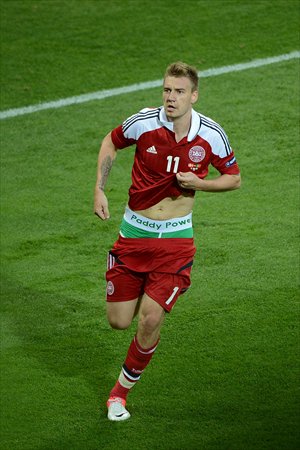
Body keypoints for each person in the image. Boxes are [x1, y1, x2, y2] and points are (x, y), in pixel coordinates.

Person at [94, 61, 241, 421]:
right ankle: (141, 295)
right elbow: (111, 142)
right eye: (166, 90)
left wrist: (201, 184)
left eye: (178, 91)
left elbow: (233, 178)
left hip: (176, 242)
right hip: (134, 235)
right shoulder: (144, 122)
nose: (170, 97)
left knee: (149, 319)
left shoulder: (210, 134)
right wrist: (99, 190)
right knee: (118, 321)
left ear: (194, 95)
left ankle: (119, 395)